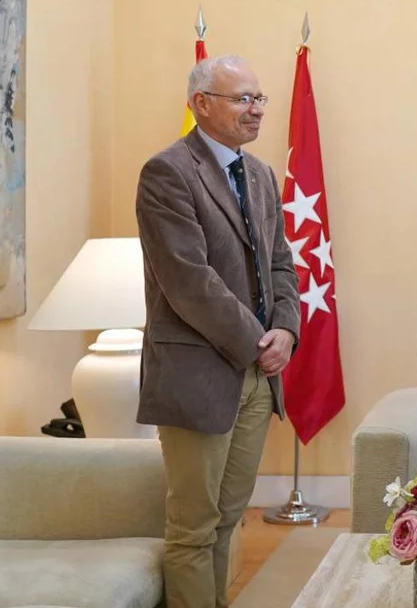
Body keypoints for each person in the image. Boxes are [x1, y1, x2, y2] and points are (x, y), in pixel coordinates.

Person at [135, 55, 300, 608]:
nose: (255, 111)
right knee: (193, 527)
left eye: (259, 99)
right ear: (201, 104)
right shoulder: (167, 172)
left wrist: (286, 332)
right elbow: (188, 280)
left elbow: (281, 261)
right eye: (242, 99)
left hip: (258, 374)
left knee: (231, 518)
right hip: (198, 374)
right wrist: (260, 339)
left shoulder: (259, 173)